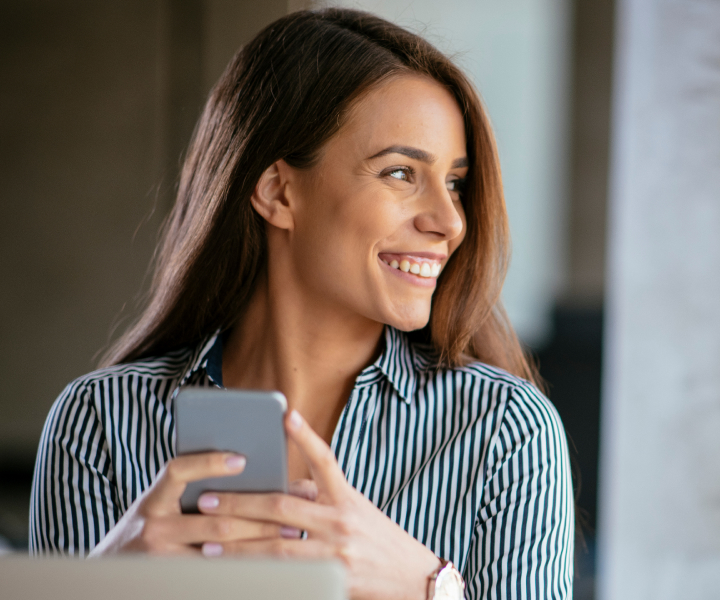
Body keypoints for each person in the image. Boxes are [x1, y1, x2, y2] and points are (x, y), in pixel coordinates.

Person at [30, 8, 574, 600]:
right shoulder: (100, 424)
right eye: (400, 173)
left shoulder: (505, 432)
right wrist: (104, 581)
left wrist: (426, 588)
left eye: (454, 183)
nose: (449, 222)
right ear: (278, 191)